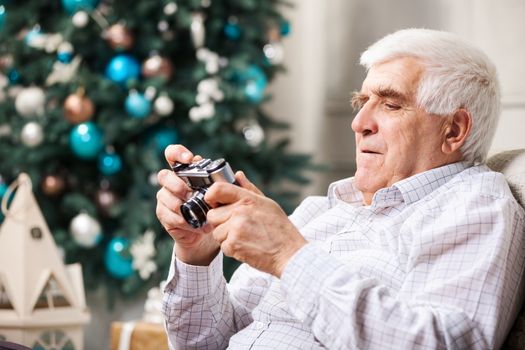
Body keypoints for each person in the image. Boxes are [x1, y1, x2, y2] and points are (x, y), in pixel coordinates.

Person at [156, 28, 525, 349]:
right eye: (361, 103)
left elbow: (441, 344)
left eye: (391, 104)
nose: (359, 122)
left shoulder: (474, 205)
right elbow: (202, 344)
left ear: (454, 130)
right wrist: (198, 255)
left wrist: (288, 255)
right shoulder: (319, 212)